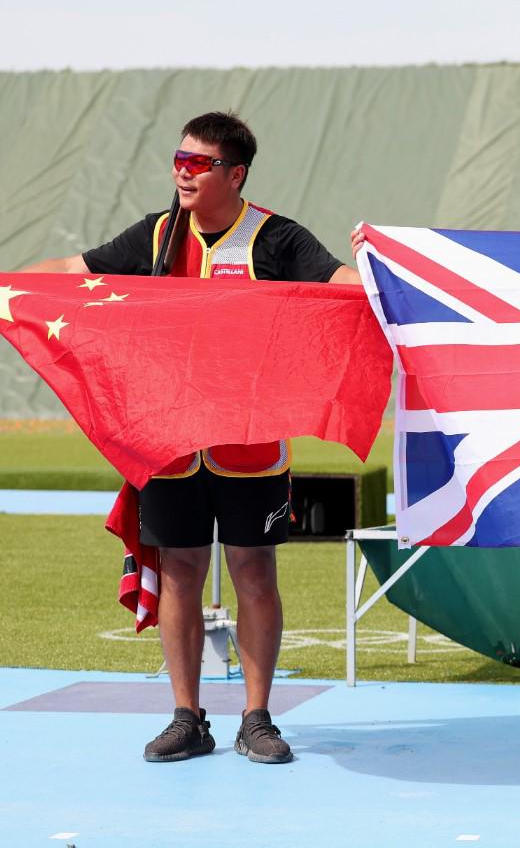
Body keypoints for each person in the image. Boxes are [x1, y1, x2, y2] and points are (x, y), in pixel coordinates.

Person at [24, 111, 360, 764]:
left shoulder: (274, 237)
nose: (182, 170)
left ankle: (258, 717)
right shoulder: (154, 236)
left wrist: (387, 276)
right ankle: (187, 716)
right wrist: (11, 288)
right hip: (171, 445)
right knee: (179, 571)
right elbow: (74, 268)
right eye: (179, 158)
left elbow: (337, 284)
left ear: (234, 174)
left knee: (254, 571)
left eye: (198, 162)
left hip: (248, 444)